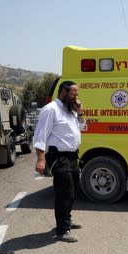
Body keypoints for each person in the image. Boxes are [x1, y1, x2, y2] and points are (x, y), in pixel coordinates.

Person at [34, 81, 85, 243]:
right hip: (58, 157)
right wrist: (41, 159)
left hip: (71, 156)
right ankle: (62, 230)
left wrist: (80, 112)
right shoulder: (50, 110)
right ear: (63, 91)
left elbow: (83, 128)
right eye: (73, 94)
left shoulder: (71, 110)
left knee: (74, 189)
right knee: (64, 192)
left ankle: (67, 220)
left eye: (77, 94)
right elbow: (40, 135)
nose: (76, 97)